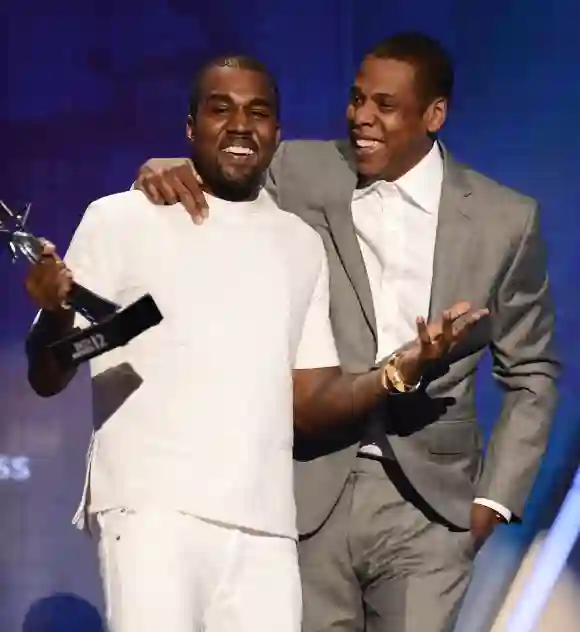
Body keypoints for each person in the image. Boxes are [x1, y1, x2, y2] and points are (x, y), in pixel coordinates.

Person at [23, 55, 484, 632]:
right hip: (152, 509)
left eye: (258, 113)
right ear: (190, 126)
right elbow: (50, 373)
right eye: (221, 110)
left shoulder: (298, 244)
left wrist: (402, 366)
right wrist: (55, 313)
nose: (241, 126)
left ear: (277, 133)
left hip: (266, 527)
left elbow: (310, 402)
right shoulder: (120, 220)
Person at [133, 33, 559, 632]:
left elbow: (532, 371)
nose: (361, 117)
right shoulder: (302, 169)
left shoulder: (504, 220)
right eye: (357, 99)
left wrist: (493, 501)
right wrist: (157, 171)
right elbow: (214, 168)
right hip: (310, 485)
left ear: (434, 115)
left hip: (431, 505)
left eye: (384, 105)